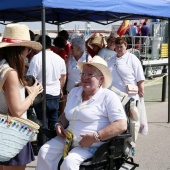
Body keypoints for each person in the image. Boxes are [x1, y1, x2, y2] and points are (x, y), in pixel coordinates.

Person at [36, 55, 127, 170]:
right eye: (83, 74)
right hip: (68, 138)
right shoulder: (74, 92)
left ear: (101, 79)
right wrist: (59, 123)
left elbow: (121, 124)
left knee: (69, 163)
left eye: (90, 74)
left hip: (91, 144)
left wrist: (96, 136)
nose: (85, 78)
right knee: (44, 152)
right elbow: (66, 114)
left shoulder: (108, 97)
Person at [0, 23, 43, 170]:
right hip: (13, 132)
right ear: (21, 49)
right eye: (28, 49)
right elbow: (17, 111)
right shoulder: (10, 72)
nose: (28, 53)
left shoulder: (2, 67)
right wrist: (32, 95)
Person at [27, 35, 66, 148]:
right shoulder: (59, 58)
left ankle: (43, 146)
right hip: (55, 92)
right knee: (54, 121)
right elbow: (63, 76)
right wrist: (60, 88)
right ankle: (54, 145)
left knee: (42, 122)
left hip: (42, 93)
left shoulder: (37, 58)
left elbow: (31, 78)